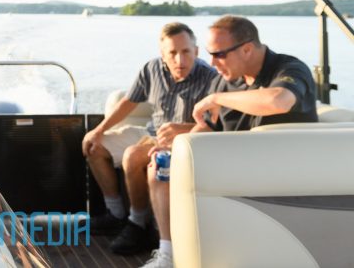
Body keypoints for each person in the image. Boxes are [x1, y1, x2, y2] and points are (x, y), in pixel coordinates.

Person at [141, 15, 317, 268]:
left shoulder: (289, 68)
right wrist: (177, 148)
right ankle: (169, 254)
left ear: (246, 49)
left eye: (219, 54)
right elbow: (210, 128)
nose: (212, 62)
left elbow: (278, 101)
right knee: (161, 168)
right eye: (210, 54)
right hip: (237, 170)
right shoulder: (224, 81)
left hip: (286, 175)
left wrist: (217, 99)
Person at [81, 22, 215, 256]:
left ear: (196, 51)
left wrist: (184, 128)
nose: (179, 60)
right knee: (94, 146)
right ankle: (115, 215)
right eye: (172, 53)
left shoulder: (211, 78)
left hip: (187, 140)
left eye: (185, 52)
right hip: (152, 132)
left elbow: (219, 124)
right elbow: (129, 102)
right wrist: (99, 130)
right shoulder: (151, 69)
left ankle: (137, 225)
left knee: (133, 155)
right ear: (163, 54)